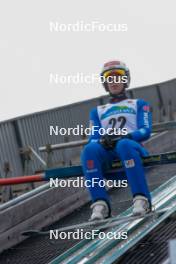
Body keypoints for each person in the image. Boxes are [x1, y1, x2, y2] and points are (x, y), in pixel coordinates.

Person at [81, 60, 152, 221]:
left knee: (124, 144)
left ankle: (142, 200)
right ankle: (100, 204)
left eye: (118, 77)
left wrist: (127, 136)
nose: (113, 82)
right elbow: (93, 137)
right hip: (111, 154)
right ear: (105, 83)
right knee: (89, 150)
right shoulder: (98, 111)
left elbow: (145, 130)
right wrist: (100, 142)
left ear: (125, 80)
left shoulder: (139, 104)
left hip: (132, 150)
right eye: (109, 78)